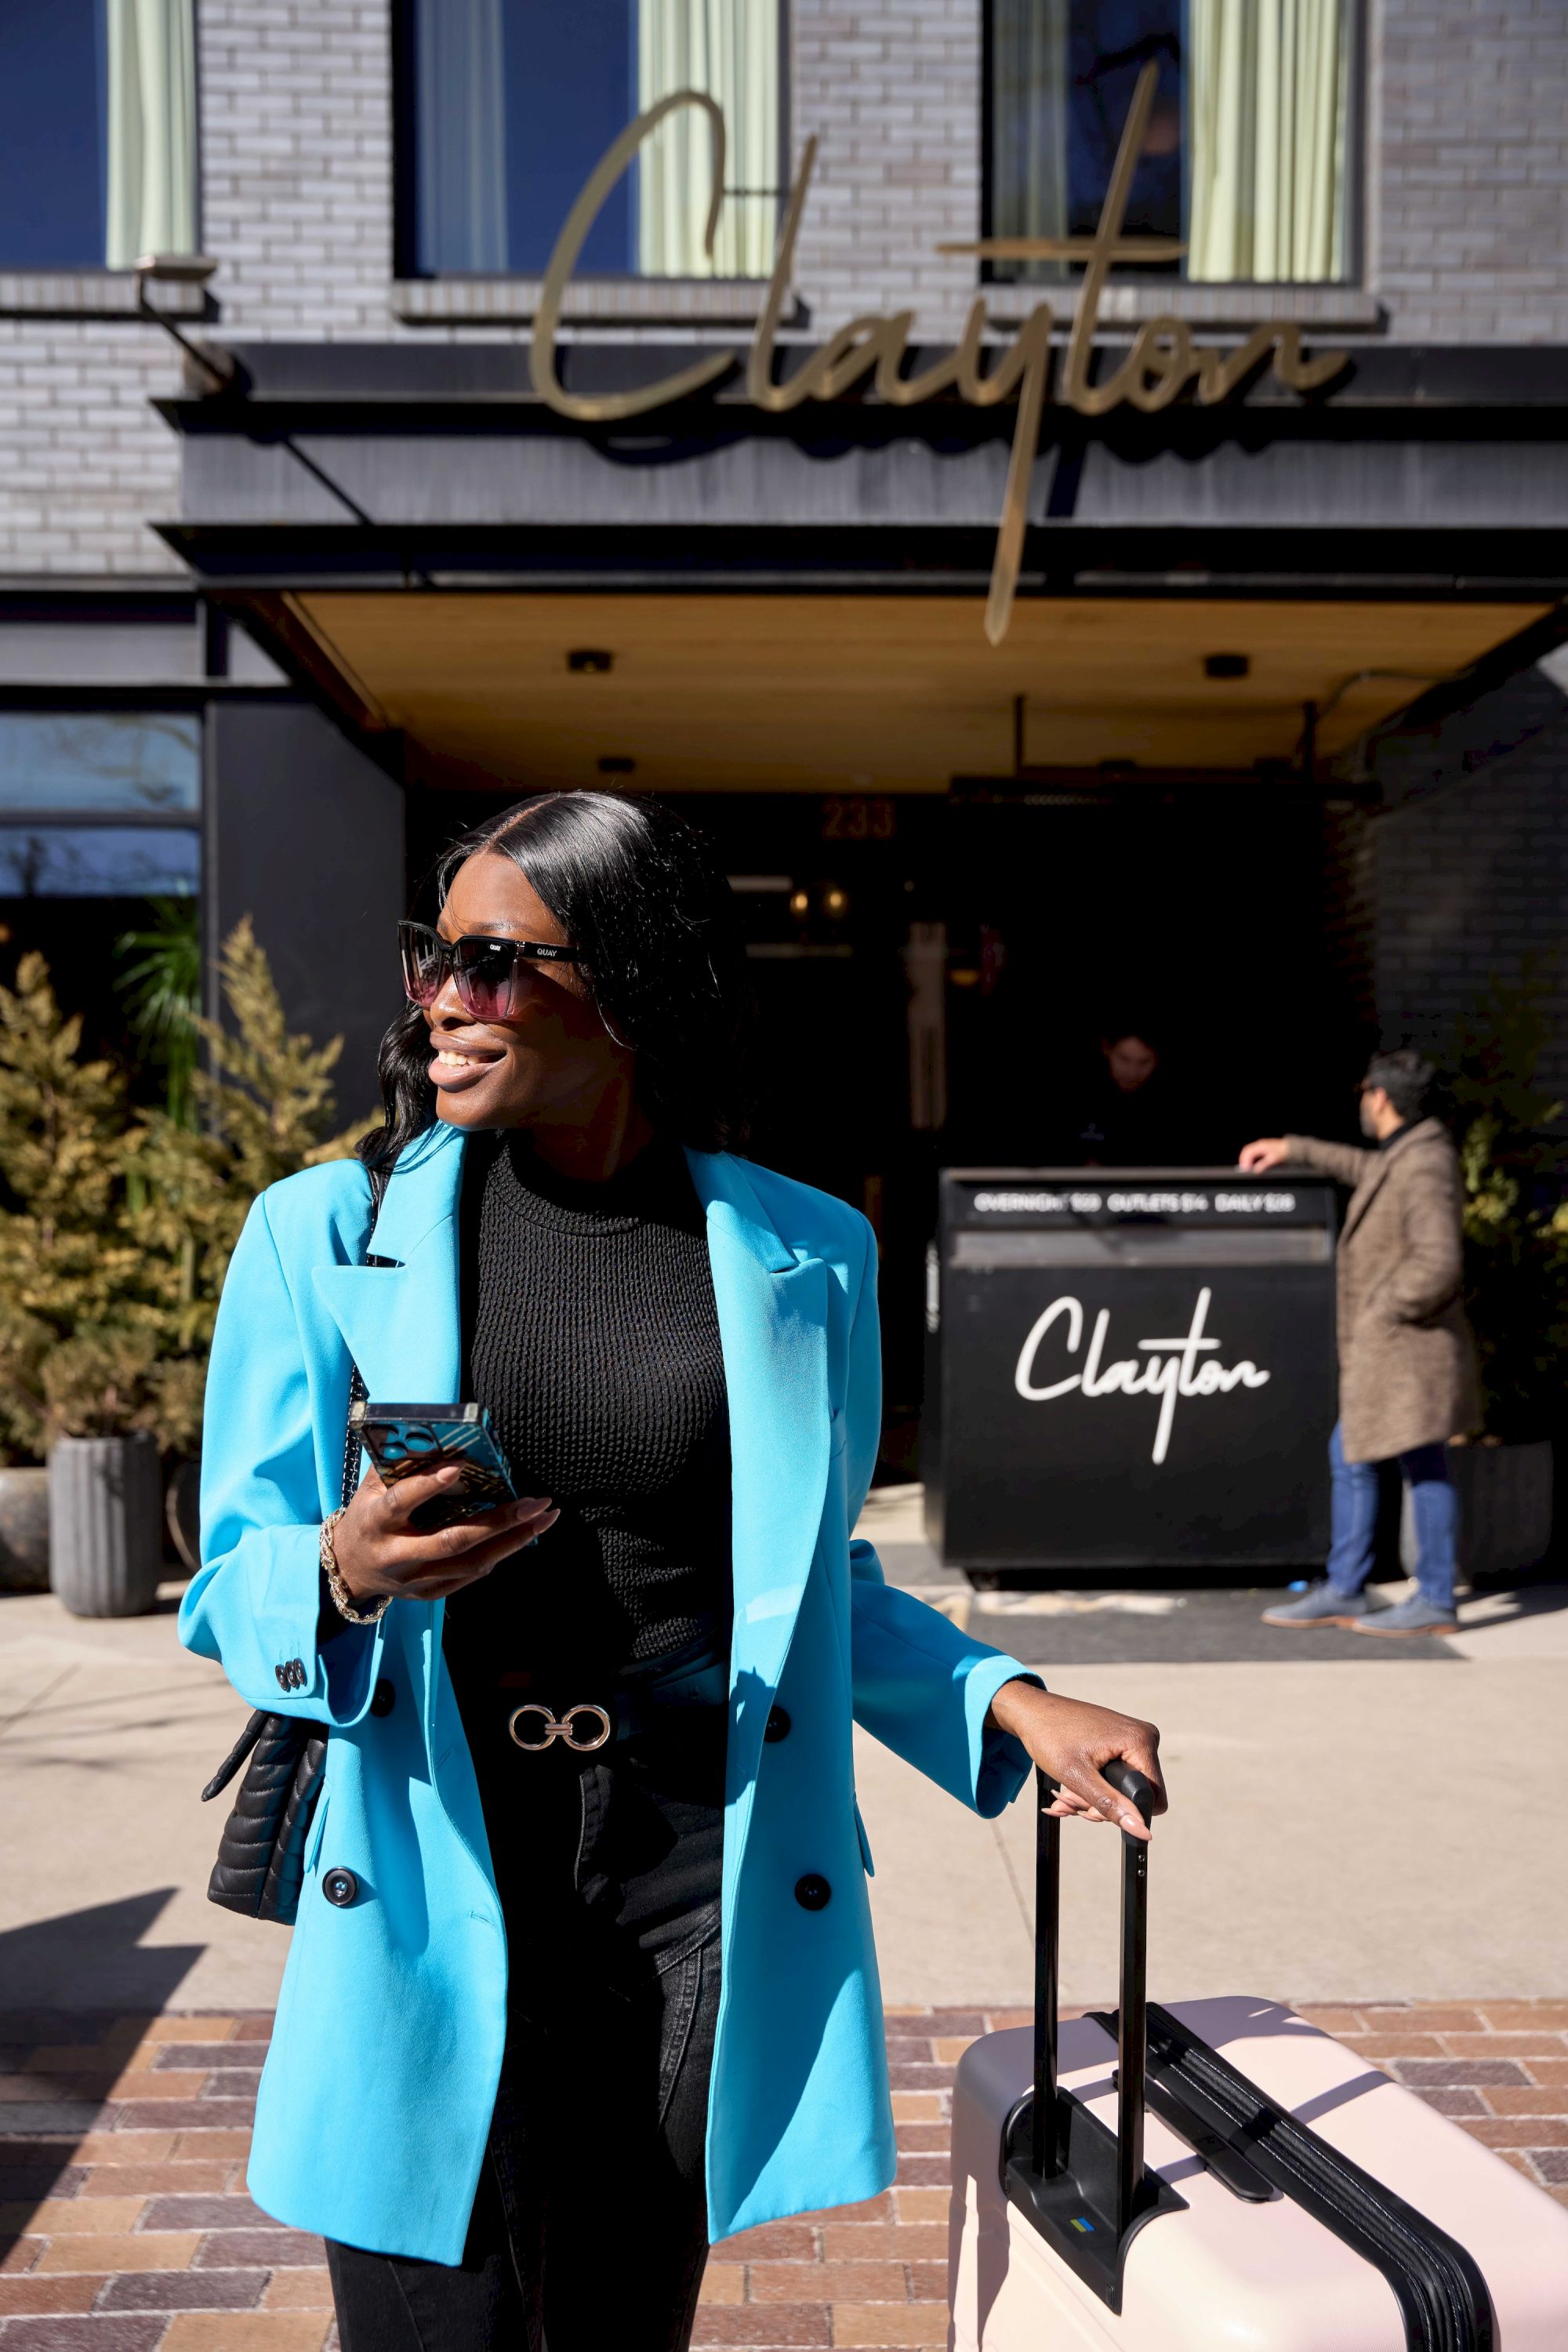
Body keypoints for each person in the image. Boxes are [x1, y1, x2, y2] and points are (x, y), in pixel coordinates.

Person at [180, 789, 1167, 2352]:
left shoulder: (804, 1254)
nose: (445, 999)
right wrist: (343, 1572)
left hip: (686, 1881)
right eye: (431, 958)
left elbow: (803, 1574)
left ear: (627, 983)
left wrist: (1002, 1701)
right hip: (443, 1860)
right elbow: (227, 1582)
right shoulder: (322, 1234)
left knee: (628, 2321)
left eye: (495, 963)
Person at [1239, 1047, 1480, 1638]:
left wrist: (1381, 1311)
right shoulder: (1404, 1154)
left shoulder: (1425, 1162)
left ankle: (1431, 1597)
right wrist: (1293, 1148)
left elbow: (1439, 1261)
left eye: (1366, 1093)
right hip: (1391, 1354)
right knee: (1356, 1457)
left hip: (1407, 1350)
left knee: (1419, 1466)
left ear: (1382, 1097)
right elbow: (1359, 1167)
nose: (1363, 1104)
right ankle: (1349, 1588)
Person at [1069, 1021, 1193, 1166]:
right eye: (1124, 1059)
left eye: (1144, 1062)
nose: (1132, 1073)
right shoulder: (1079, 1095)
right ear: (1106, 1049)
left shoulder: (1174, 1105)